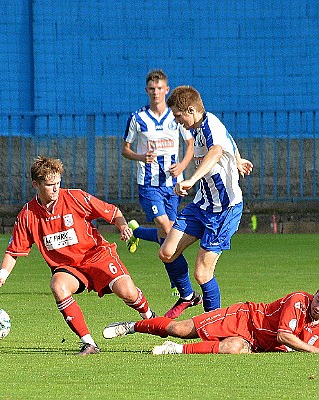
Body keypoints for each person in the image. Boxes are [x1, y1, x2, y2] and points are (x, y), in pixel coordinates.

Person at [0, 156, 156, 356]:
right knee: (58, 285)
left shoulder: (75, 197)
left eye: (58, 184)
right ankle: (89, 344)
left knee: (128, 292)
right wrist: (2, 276)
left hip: (97, 256)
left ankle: (149, 317)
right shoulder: (27, 214)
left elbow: (112, 212)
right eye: (50, 185)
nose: (55, 189)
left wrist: (122, 227)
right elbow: (14, 250)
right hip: (69, 268)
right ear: (36, 184)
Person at [160, 85, 253, 316]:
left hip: (224, 210)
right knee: (167, 252)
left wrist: (191, 179)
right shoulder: (201, 127)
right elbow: (229, 139)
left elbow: (217, 150)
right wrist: (239, 159)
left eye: (178, 116)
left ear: (191, 110)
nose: (177, 120)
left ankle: (214, 325)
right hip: (202, 206)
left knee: (202, 273)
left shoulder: (210, 126)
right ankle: (188, 297)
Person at [122, 69, 199, 310]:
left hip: (172, 185)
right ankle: (186, 290)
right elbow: (125, 149)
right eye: (152, 89)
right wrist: (139, 156)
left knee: (168, 237)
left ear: (167, 90)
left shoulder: (175, 117)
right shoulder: (138, 118)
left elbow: (190, 145)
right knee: (168, 230)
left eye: (160, 88)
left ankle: (136, 233)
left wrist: (183, 166)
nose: (156, 93)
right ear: (147, 91)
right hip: (149, 185)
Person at [103, 290, 319, 354]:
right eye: (318, 298)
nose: (317, 305)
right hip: (243, 318)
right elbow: (284, 335)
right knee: (179, 328)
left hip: (257, 343)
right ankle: (131, 326)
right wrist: (312, 351)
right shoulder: (298, 300)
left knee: (233, 348)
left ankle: (174, 350)